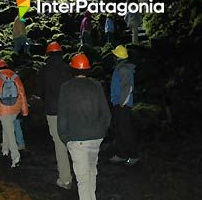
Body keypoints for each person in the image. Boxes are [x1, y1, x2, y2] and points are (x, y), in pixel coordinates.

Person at [58, 54, 111, 200]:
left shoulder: (66, 87)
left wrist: (65, 138)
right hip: (96, 138)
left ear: (72, 70)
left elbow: (62, 117)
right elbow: (106, 114)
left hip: (77, 139)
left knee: (82, 179)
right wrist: (101, 132)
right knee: (91, 172)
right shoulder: (96, 86)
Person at [36, 41, 73, 189]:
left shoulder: (44, 70)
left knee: (60, 145)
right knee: (74, 143)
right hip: (70, 111)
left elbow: (39, 92)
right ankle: (82, 174)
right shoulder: (68, 69)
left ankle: (66, 179)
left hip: (53, 111)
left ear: (48, 54)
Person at [0, 59, 29, 168]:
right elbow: (22, 94)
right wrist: (24, 111)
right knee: (7, 128)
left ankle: (16, 158)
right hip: (15, 108)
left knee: (10, 132)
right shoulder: (16, 77)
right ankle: (4, 150)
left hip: (3, 108)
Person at [109, 45, 140, 166]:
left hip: (123, 105)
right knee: (119, 129)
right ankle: (121, 154)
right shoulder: (121, 68)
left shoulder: (123, 69)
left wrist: (122, 103)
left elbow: (128, 87)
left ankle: (134, 155)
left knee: (125, 130)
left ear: (117, 57)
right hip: (119, 104)